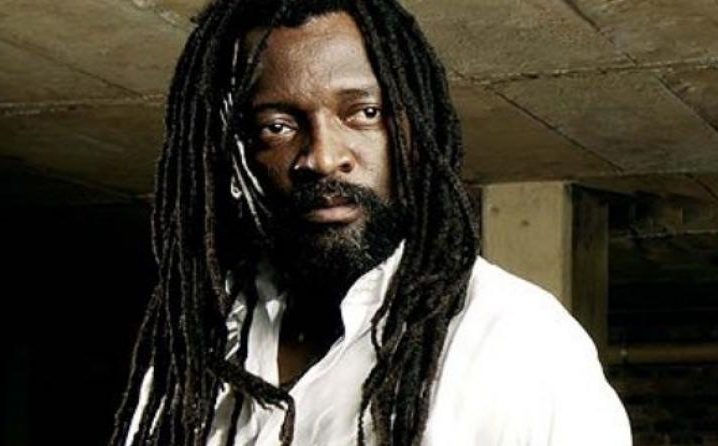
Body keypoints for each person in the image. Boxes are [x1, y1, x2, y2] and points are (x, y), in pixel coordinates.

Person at [110, 0, 631, 445]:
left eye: (364, 113)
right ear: (238, 153)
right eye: (278, 126)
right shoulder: (202, 336)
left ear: (416, 130)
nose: (322, 157)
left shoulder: (519, 342)